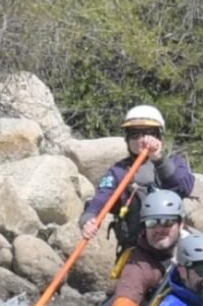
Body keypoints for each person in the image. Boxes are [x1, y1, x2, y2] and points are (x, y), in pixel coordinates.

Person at [80, 105, 195, 250]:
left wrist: (157, 159)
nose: (142, 139)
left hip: (174, 241)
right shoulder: (118, 171)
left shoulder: (175, 163)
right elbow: (99, 201)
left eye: (149, 133)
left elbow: (183, 187)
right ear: (127, 139)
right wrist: (88, 220)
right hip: (137, 247)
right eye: (135, 134)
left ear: (159, 136)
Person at [108, 189, 189, 306]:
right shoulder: (140, 264)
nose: (159, 229)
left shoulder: (195, 245)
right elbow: (127, 293)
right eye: (152, 222)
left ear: (181, 223)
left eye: (167, 222)